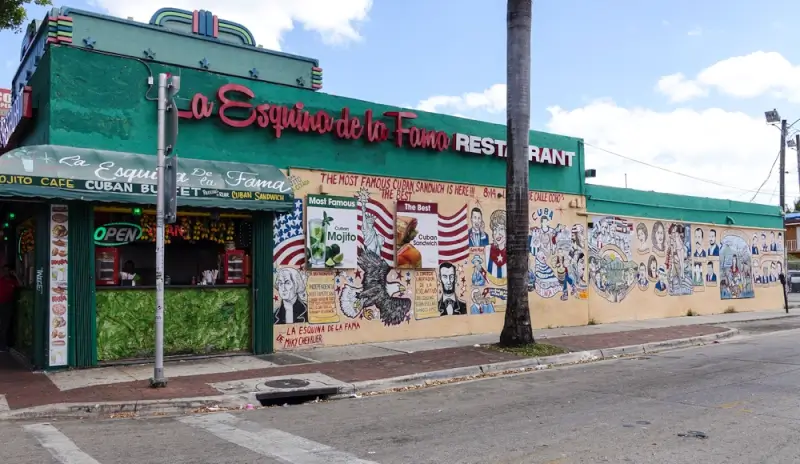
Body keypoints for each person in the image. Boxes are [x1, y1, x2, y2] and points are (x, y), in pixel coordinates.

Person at [0, 265, 21, 351]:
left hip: (8, 304)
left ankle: (4, 345)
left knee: (6, 325)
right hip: (1, 303)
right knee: (3, 325)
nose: (6, 272)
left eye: (8, 270)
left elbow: (20, 285)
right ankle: (3, 345)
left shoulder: (13, 281)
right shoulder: (1, 281)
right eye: (5, 270)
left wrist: (16, 275)